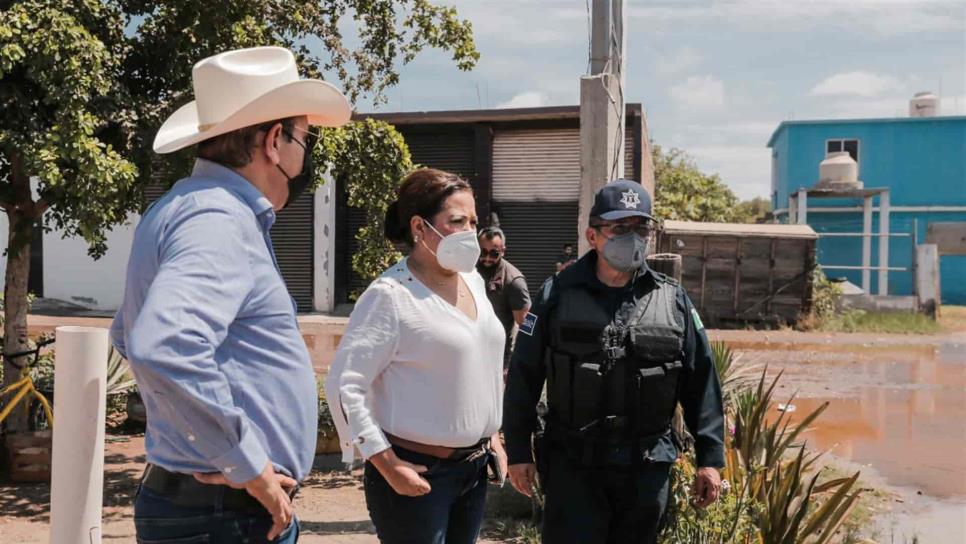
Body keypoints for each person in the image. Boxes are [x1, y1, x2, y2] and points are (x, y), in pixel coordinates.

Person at [110, 46, 350, 543]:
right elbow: (164, 345)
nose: (306, 155)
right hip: (228, 515)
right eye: (305, 138)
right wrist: (247, 466)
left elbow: (127, 335)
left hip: (215, 508)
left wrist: (200, 439)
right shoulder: (219, 219)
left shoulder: (183, 207)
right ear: (274, 140)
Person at [502, 179, 725, 544]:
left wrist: (710, 458)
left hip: (646, 468)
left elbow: (701, 380)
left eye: (642, 228)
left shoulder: (673, 300)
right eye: (619, 228)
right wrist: (517, 451)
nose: (633, 237)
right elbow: (523, 376)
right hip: (572, 465)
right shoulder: (555, 294)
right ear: (592, 235)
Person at [325, 168, 508, 544]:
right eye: (457, 221)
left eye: (473, 221)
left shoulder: (473, 281)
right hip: (417, 472)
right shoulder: (391, 296)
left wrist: (494, 439)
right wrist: (386, 463)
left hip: (473, 470)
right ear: (419, 228)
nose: (470, 232)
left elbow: (482, 363)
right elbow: (345, 386)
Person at [476, 226, 531, 370]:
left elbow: (528, 324)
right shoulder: (467, 270)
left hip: (497, 359)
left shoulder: (513, 280)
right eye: (483, 252)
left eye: (494, 254)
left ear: (503, 252)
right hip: (469, 351)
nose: (487, 258)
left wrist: (525, 356)